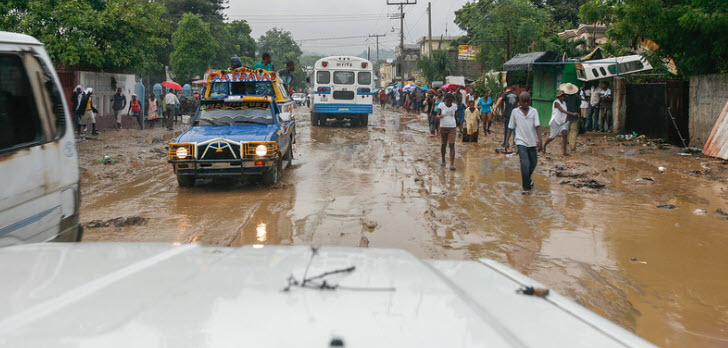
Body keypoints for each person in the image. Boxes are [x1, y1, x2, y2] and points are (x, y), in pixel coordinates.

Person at [504, 92, 542, 193]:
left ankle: (528, 179)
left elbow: (537, 127)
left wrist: (540, 140)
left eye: (528, 101)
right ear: (519, 102)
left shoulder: (534, 111)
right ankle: (526, 188)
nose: (526, 103)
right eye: (524, 102)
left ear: (530, 101)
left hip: (532, 142)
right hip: (520, 142)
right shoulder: (515, 112)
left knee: (533, 163)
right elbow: (510, 128)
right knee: (525, 163)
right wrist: (507, 141)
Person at [543, 90, 579, 156]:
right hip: (555, 121)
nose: (562, 97)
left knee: (565, 135)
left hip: (562, 122)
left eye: (563, 96)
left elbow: (564, 113)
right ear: (559, 97)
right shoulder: (556, 102)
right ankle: (544, 145)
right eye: (561, 96)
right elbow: (562, 110)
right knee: (552, 136)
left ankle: (564, 152)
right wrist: (573, 113)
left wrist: (566, 119)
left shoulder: (564, 103)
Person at [436, 93, 458, 170]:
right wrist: (440, 117)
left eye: (451, 101)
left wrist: (458, 127)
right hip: (443, 127)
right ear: (445, 99)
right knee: (443, 144)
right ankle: (443, 160)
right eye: (448, 101)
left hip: (452, 127)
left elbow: (456, 117)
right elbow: (437, 115)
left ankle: (452, 164)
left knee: (452, 145)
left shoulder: (454, 106)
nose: (449, 103)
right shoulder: (441, 105)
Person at [560, 83, 581, 151]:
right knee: (574, 131)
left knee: (566, 130)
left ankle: (566, 144)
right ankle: (572, 146)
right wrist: (579, 115)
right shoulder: (577, 97)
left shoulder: (564, 97)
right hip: (575, 115)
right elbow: (578, 107)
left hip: (566, 116)